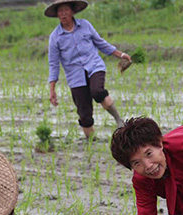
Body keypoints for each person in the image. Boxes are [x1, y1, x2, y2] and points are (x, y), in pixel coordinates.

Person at [46, 0, 131, 139]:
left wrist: (120, 54)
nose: (63, 14)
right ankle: (91, 143)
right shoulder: (55, 37)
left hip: (94, 66)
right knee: (84, 114)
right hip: (75, 76)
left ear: (72, 11)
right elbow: (53, 64)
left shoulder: (85, 25)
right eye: (60, 11)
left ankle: (119, 120)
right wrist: (52, 90)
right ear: (57, 15)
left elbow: (101, 43)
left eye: (66, 10)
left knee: (98, 92)